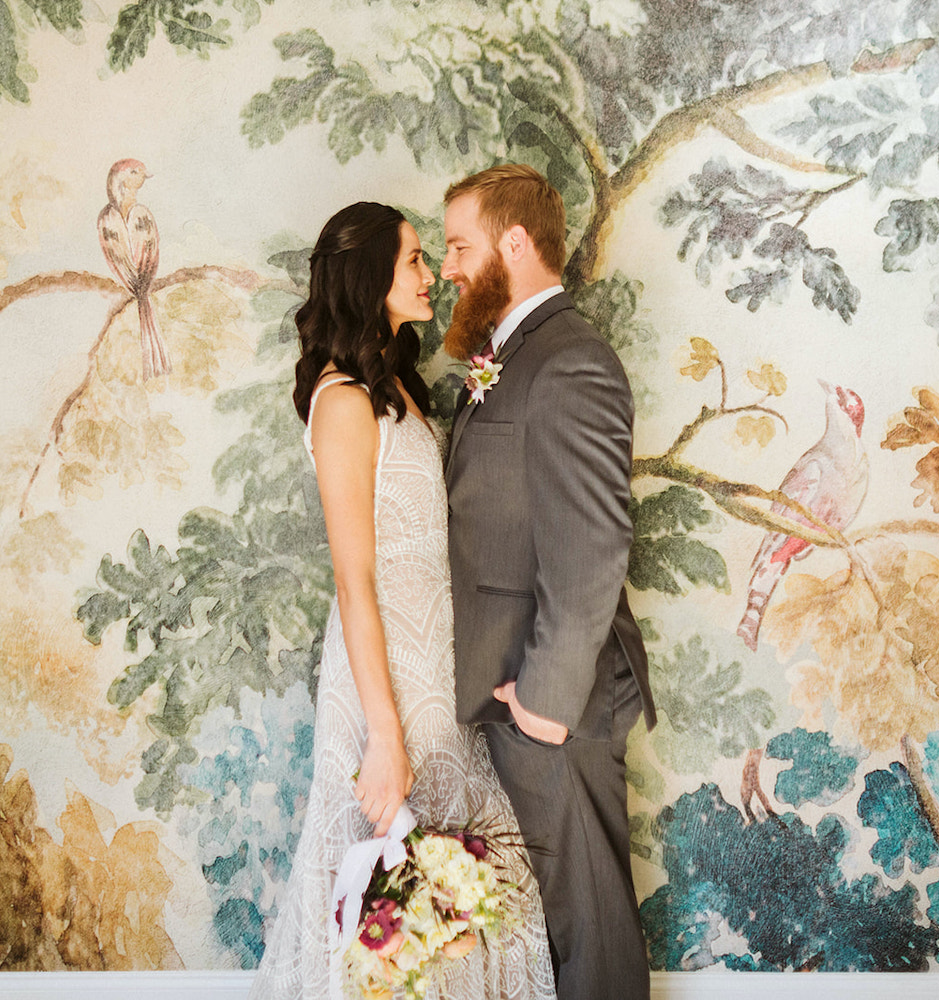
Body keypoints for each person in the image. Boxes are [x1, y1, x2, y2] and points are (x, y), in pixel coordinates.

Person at [250, 202, 555, 999]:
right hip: (388, 673)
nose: (430, 275)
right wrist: (384, 736)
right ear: (369, 277)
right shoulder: (344, 402)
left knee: (459, 879)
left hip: (438, 660)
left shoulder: (394, 387)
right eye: (414, 260)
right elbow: (354, 580)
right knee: (401, 886)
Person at [442, 165, 657, 1000]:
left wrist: (547, 702)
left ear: (515, 242)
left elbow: (594, 546)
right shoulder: (514, 353)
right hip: (512, 690)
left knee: (591, 930)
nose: (452, 266)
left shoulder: (570, 361)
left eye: (461, 245)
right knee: (557, 929)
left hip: (550, 702)